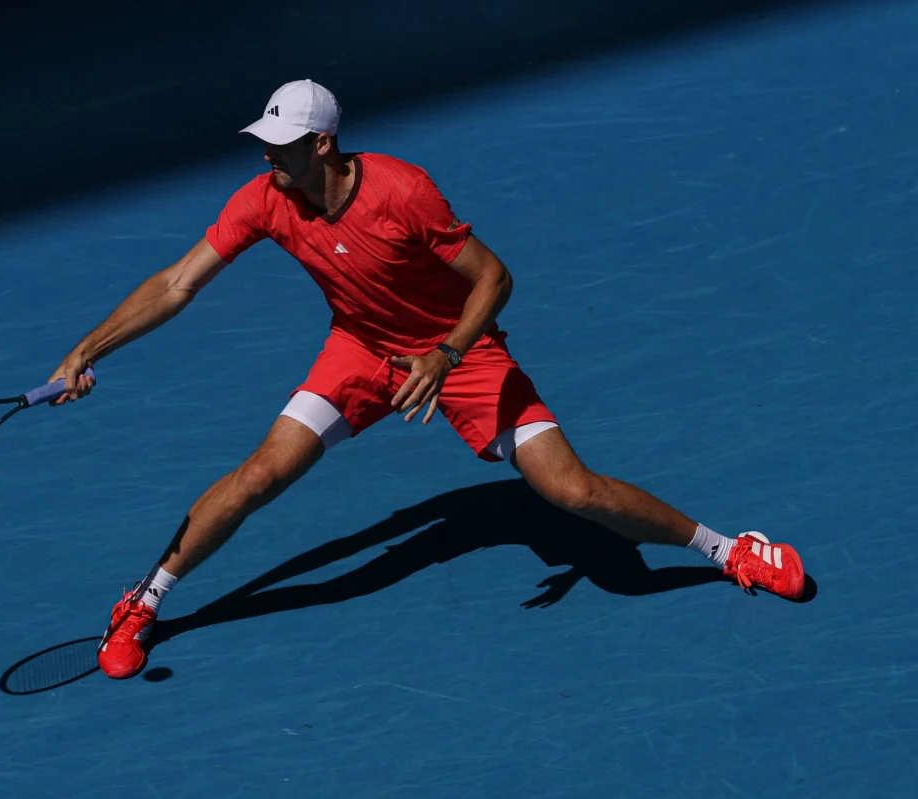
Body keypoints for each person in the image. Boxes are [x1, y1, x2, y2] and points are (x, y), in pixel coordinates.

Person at [48, 79, 806, 680]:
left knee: (574, 493)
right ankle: (144, 601)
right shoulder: (266, 200)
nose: (268, 158)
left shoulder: (401, 191)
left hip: (461, 354)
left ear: (323, 142)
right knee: (259, 475)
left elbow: (494, 278)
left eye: (282, 145)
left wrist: (445, 355)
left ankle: (728, 548)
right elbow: (178, 282)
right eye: (265, 142)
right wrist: (90, 347)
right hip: (360, 350)